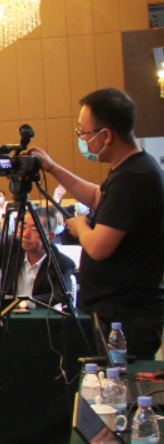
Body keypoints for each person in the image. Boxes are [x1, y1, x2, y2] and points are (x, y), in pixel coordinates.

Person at [28, 88, 164, 359]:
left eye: (83, 133)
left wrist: (80, 227)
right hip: (117, 308)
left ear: (106, 135)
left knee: (123, 381)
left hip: (127, 313)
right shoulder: (126, 169)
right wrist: (53, 168)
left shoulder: (135, 177)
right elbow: (96, 196)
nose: (82, 139)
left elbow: (100, 248)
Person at [0, 179, 75, 307]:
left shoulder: (62, 262)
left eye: (34, 229)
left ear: (51, 237)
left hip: (41, 317)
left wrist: (24, 304)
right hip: (9, 315)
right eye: (24, 228)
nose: (26, 234)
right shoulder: (12, 250)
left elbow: (60, 295)